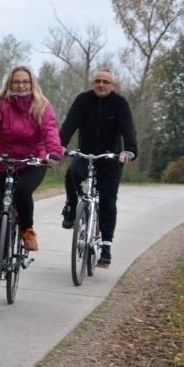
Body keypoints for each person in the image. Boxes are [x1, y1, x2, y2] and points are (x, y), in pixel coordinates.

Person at [0, 66, 63, 293]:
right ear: (10, 84)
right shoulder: (0, 105)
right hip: (3, 161)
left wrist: (53, 152)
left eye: (25, 82)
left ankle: (27, 229)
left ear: (32, 84)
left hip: (33, 162)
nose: (21, 85)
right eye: (17, 82)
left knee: (22, 191)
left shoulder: (41, 106)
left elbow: (50, 130)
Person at [58, 68, 138, 268]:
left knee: (108, 203)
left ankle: (106, 247)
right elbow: (70, 124)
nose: (101, 85)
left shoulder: (120, 104)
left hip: (111, 158)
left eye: (105, 82)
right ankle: (71, 205)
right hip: (86, 154)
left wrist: (129, 151)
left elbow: (128, 128)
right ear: (93, 83)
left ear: (113, 85)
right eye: (97, 81)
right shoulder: (83, 100)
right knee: (72, 173)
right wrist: (58, 146)